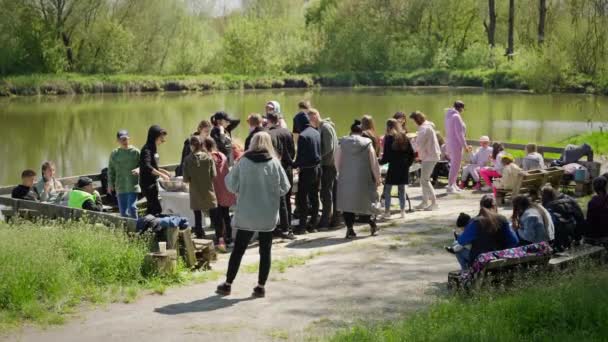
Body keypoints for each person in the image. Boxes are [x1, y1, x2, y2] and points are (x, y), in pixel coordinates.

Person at [216, 132, 290, 298]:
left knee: (238, 250)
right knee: (265, 251)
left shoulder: (243, 162)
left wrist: (240, 191)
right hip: (267, 215)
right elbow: (285, 187)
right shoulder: (274, 163)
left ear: (252, 144)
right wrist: (271, 193)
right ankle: (260, 287)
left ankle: (227, 284)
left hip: (247, 213)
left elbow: (230, 184)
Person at [447, 194, 519, 270]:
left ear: (481, 206)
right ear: (495, 206)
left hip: (481, 259)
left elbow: (461, 241)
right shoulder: (502, 219)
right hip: (499, 257)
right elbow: (514, 241)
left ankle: (466, 273)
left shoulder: (475, 221)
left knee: (458, 251)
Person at [336, 119, 381, 239]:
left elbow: (337, 161)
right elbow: (374, 162)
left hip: (346, 178)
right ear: (362, 132)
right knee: (367, 202)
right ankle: (372, 225)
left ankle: (350, 229)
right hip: (364, 178)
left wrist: (341, 173)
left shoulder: (342, 142)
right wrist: (377, 178)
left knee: (347, 204)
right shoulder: (367, 143)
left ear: (351, 131)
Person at [307, 108, 340, 228]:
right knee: (331, 192)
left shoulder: (325, 128)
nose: (309, 121)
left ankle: (326, 220)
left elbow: (329, 148)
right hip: (330, 164)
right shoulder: (322, 127)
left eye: (310, 118)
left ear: (315, 116)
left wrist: (317, 157)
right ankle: (335, 218)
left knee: (327, 193)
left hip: (329, 164)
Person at [267, 112, 296, 239]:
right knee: (287, 199)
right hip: (288, 168)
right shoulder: (287, 132)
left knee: (277, 200)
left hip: (275, 169)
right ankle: (288, 227)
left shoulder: (268, 134)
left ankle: (278, 227)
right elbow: (293, 152)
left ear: (268, 121)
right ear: (278, 120)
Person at [379, 119, 415, 219]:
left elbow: (386, 156)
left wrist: (379, 162)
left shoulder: (388, 138)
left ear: (388, 127)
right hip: (403, 167)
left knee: (387, 189)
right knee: (402, 189)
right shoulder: (404, 137)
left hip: (393, 166)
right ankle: (403, 212)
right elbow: (411, 153)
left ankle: (387, 212)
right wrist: (408, 164)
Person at [183, 135, 217, 239]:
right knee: (214, 213)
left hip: (195, 191)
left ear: (192, 146)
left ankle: (200, 235)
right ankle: (219, 235)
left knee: (197, 215)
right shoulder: (208, 157)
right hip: (208, 190)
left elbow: (185, 179)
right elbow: (214, 175)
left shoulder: (187, 160)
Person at [293, 111, 322, 234]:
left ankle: (302, 227)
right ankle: (313, 225)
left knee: (302, 198)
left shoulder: (303, 136)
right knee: (315, 197)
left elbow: (300, 158)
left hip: (307, 171)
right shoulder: (316, 132)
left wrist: (292, 163)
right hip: (317, 169)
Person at [204, 137, 236, 247]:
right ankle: (229, 239)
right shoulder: (222, 156)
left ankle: (220, 239)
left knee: (216, 216)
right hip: (224, 189)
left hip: (214, 191)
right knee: (226, 215)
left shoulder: (207, 158)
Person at [410, 111, 441, 211]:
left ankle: (434, 203)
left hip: (430, 156)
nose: (413, 123)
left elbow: (418, 146)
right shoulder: (426, 126)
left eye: (413, 121)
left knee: (425, 180)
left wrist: (411, 141)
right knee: (424, 180)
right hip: (430, 155)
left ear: (417, 120)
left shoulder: (424, 128)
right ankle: (424, 202)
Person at [541, 184, 585, 250]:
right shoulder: (568, 200)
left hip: (561, 233)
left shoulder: (548, 208)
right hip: (574, 229)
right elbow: (580, 216)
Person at [108, 130, 140, 218]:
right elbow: (111, 170)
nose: (125, 141)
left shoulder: (136, 152)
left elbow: (144, 165)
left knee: (132, 208)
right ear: (117, 141)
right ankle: (127, 231)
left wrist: (139, 169)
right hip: (120, 186)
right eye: (122, 139)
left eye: (126, 139)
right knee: (123, 213)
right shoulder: (115, 154)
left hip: (132, 185)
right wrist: (110, 184)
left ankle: (136, 229)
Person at [139, 125, 170, 216]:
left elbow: (153, 166)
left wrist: (164, 171)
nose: (163, 140)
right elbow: (147, 166)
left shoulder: (153, 148)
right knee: (156, 209)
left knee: (151, 208)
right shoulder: (146, 150)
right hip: (147, 184)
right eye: (161, 138)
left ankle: (147, 227)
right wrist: (162, 175)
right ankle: (156, 228)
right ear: (154, 137)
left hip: (153, 183)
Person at [444, 101, 467, 193]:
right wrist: (465, 145)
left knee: (455, 164)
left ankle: (453, 184)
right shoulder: (456, 116)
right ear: (461, 108)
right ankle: (450, 185)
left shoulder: (448, 115)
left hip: (450, 143)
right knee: (455, 165)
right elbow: (459, 133)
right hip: (456, 144)